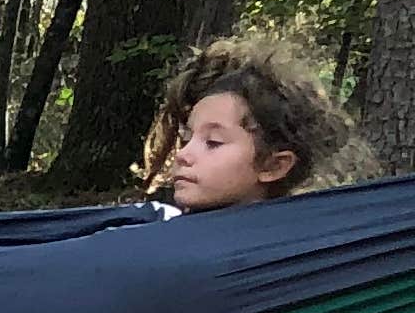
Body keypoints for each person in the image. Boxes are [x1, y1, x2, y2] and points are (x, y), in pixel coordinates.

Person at [144, 34, 363, 211]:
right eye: (187, 138)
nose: (183, 155)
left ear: (274, 166)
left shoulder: (294, 252)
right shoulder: (157, 224)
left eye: (213, 142)